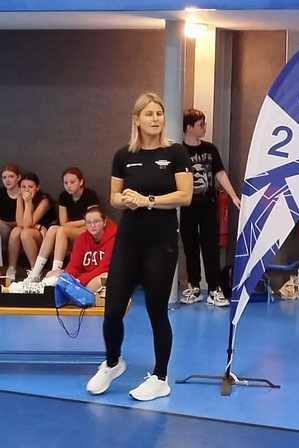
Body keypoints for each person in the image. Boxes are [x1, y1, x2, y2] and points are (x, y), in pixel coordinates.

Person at [86, 92, 192, 402]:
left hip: (161, 242)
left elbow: (185, 196)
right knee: (112, 309)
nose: (156, 118)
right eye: (149, 114)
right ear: (137, 120)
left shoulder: (176, 153)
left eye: (159, 113)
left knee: (157, 310)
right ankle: (112, 363)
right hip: (129, 241)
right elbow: (114, 197)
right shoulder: (123, 155)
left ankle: (160, 377)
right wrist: (126, 200)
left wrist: (148, 201)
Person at [179, 109, 240, 308]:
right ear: (189, 127)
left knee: (210, 247)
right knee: (190, 247)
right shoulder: (179, 152)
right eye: (201, 124)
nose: (204, 128)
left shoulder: (210, 149)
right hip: (187, 207)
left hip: (208, 206)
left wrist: (233, 196)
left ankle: (214, 289)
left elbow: (220, 174)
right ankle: (194, 286)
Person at [16, 172, 63, 284]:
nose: (27, 190)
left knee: (25, 233)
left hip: (48, 235)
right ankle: (34, 271)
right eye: (23, 187)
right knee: (19, 232)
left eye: (30, 187)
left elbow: (28, 224)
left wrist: (28, 202)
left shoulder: (44, 200)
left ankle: (36, 271)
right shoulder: (21, 198)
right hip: (36, 230)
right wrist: (20, 200)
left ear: (37, 188)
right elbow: (20, 223)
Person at [66, 205, 117, 294]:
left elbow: (103, 268)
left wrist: (80, 281)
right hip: (85, 279)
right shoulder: (81, 239)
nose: (92, 225)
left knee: (104, 277)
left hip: (104, 276)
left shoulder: (114, 240)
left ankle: (79, 294)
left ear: (104, 222)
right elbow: (74, 266)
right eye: (89, 222)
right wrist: (66, 278)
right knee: (53, 275)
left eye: (96, 222)